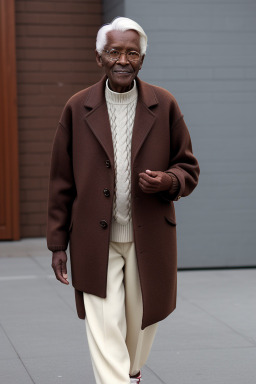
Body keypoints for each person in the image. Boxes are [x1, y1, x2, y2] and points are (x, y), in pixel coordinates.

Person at [47, 17, 200, 384]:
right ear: (99, 57)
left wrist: (168, 180)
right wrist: (57, 243)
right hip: (92, 239)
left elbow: (189, 168)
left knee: (141, 325)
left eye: (132, 52)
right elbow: (60, 180)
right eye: (114, 51)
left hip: (149, 239)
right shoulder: (76, 107)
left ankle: (131, 373)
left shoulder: (164, 105)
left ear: (142, 60)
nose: (123, 59)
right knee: (103, 327)